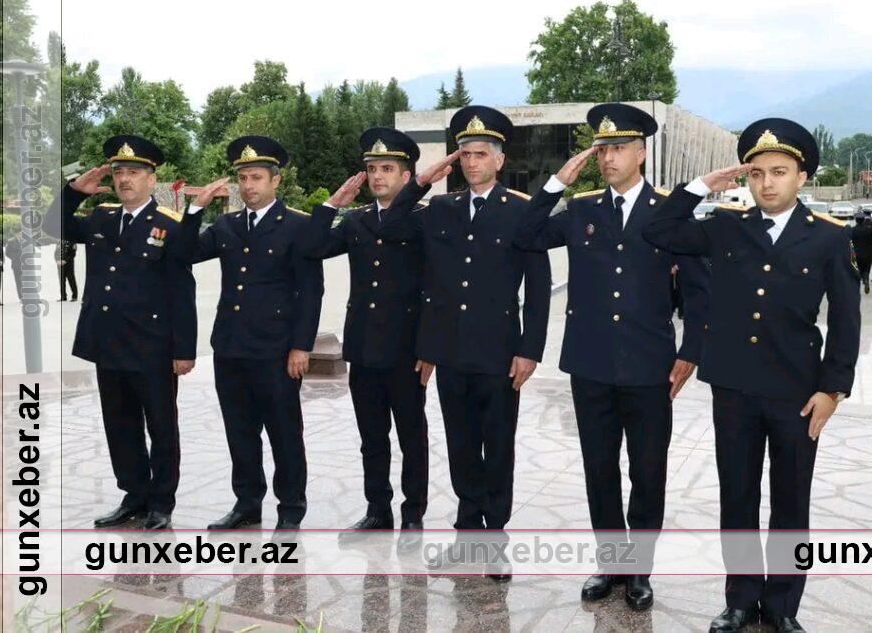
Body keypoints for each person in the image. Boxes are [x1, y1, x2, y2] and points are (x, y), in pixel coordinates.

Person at [643, 118, 860, 633]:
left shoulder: (829, 237)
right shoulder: (725, 225)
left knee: (791, 502)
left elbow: (846, 319)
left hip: (796, 392)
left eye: (779, 172)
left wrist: (832, 389)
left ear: (802, 177)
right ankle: (740, 598)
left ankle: (783, 606)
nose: (767, 183)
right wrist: (701, 186)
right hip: (735, 388)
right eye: (757, 173)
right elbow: (658, 230)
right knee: (737, 496)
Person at [513, 103, 710, 609]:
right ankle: (610, 562)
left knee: (648, 470)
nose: (607, 158)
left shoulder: (666, 212)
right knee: (599, 469)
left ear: (641, 153)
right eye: (602, 150)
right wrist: (555, 184)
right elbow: (526, 235)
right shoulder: (582, 209)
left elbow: (698, 288)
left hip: (649, 365)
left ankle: (639, 570)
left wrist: (690, 350)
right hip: (591, 364)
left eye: (618, 148)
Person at [384, 105, 552, 579]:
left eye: (480, 154)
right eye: (464, 155)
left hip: (499, 353)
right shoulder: (442, 208)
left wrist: (530, 349)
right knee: (460, 447)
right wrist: (421, 181)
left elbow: (539, 286)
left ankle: (493, 540)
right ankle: (466, 536)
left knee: (496, 448)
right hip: (451, 352)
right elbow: (391, 226)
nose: (472, 162)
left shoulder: (521, 211)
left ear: (499, 160)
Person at [301, 128, 448, 549]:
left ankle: (413, 515)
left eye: (387, 168)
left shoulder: (423, 218)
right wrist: (331, 205)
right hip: (364, 346)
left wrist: (430, 347)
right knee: (372, 437)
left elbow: (436, 287)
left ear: (407, 176)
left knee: (411, 435)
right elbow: (312, 247)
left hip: (407, 348)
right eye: (371, 169)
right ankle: (377, 509)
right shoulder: (357, 220)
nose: (377, 175)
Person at [42, 134, 197, 530]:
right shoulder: (103, 218)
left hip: (152, 347)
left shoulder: (169, 226)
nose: (125, 179)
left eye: (134, 172)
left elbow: (182, 291)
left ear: (151, 179)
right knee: (119, 424)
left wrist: (184, 350)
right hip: (107, 342)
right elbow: (51, 225)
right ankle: (134, 495)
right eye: (119, 172)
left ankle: (161, 502)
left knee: (161, 426)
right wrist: (73, 193)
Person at [177, 136, 323, 532]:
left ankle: (291, 507)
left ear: (276, 180)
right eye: (242, 178)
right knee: (240, 431)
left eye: (256, 177)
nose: (248, 185)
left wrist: (301, 346)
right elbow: (184, 253)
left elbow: (311, 290)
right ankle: (247, 503)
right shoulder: (226, 224)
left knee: (284, 432)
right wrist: (195, 210)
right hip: (231, 346)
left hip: (276, 350)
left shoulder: (298, 226)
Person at [849, 212, 872, 294]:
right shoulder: (869, 229)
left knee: (857, 269)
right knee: (867, 268)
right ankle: (866, 278)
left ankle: (857, 284)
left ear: (856, 220)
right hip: (867, 253)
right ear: (864, 220)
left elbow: (850, 242)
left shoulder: (852, 230)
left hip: (856, 253)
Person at [4, 231, 24, 301]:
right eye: (18, 233)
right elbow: (7, 253)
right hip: (16, 265)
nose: (20, 234)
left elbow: (32, 250)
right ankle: (21, 297)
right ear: (16, 234)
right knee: (18, 282)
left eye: (21, 233)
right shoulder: (11, 241)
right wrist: (14, 258)